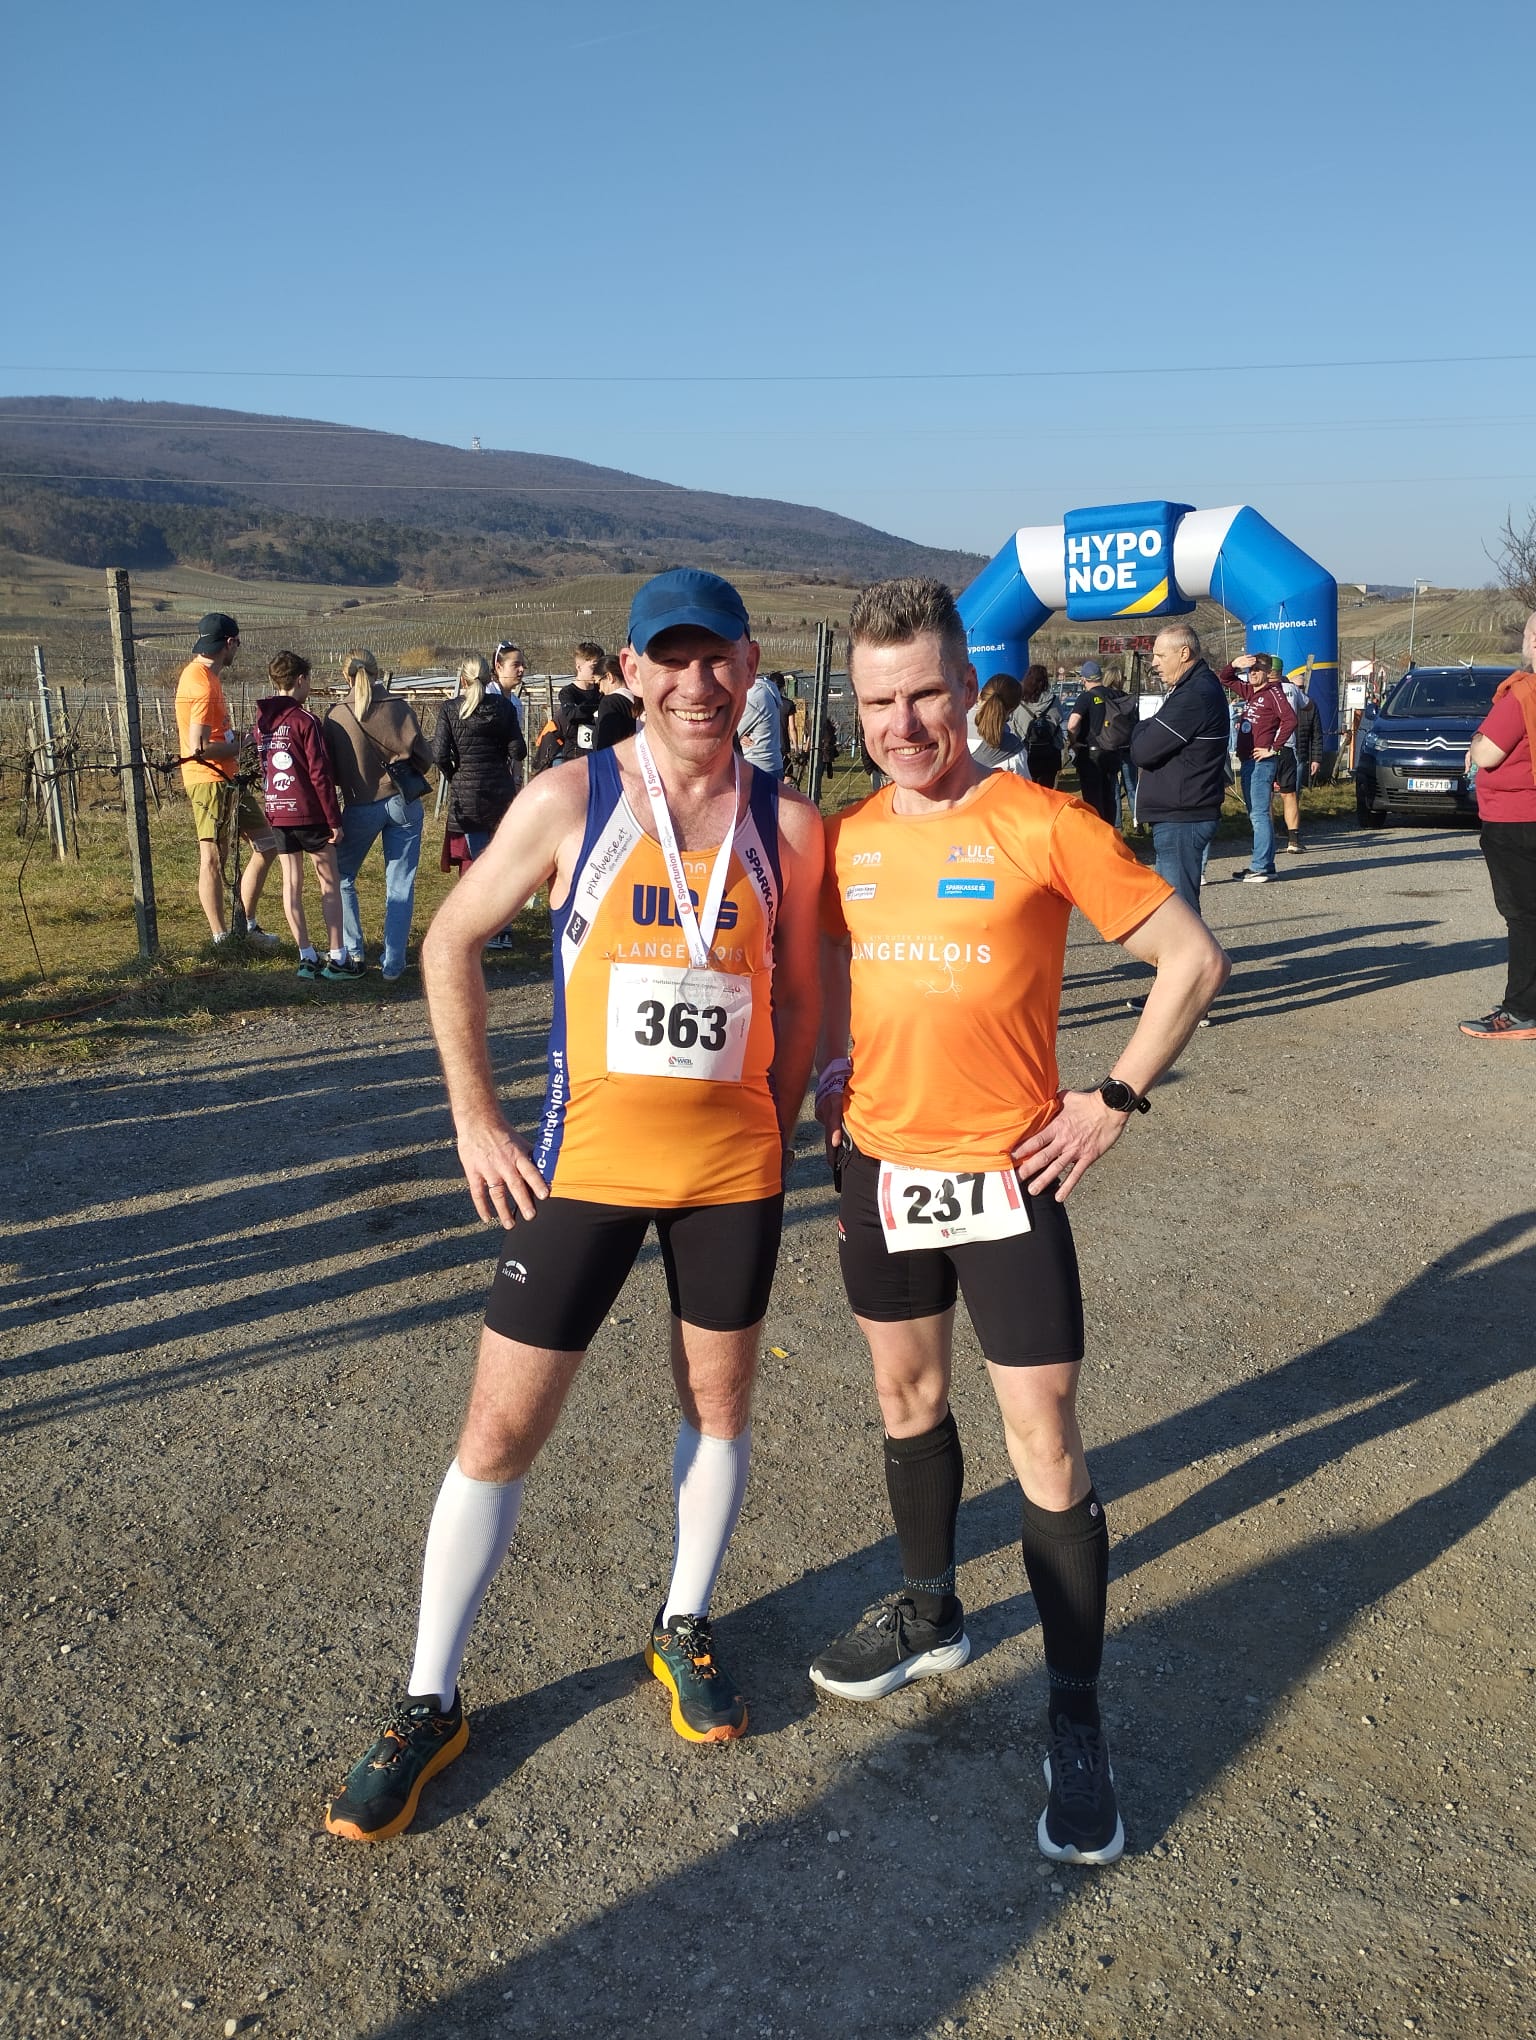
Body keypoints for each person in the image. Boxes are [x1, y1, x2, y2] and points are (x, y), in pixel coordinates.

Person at [323, 567, 824, 1843]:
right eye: (672, 659)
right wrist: (475, 1119)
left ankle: (683, 1623)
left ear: (749, 666)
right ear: (634, 670)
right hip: (582, 1171)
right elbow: (449, 941)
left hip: (733, 1175)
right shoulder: (570, 798)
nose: (697, 683)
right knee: (499, 1429)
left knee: (719, 1405)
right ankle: (429, 1697)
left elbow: (806, 993)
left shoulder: (790, 822)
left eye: (717, 659)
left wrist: (776, 1122)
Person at [810, 578, 1227, 1869]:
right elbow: (825, 963)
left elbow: (1193, 959)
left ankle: (1074, 1712)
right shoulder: (844, 839)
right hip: (881, 1172)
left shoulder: (1040, 820)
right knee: (905, 1401)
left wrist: (1112, 1100)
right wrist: (828, 1075)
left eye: (925, 694)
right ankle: (931, 1611)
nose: (902, 723)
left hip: (1007, 1176)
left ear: (967, 689)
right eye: (879, 701)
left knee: (1043, 1439)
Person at [322, 652, 436, 981]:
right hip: (403, 801)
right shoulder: (399, 707)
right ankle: (394, 964)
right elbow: (425, 758)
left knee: (341, 876)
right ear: (377, 673)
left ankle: (354, 951)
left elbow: (332, 772)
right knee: (400, 885)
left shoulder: (336, 715)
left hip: (360, 803)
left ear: (346, 677)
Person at [173, 612, 278, 946]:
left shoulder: (202, 676)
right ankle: (222, 938)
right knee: (213, 857)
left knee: (267, 844)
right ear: (229, 643)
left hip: (227, 777)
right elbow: (199, 747)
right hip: (210, 780)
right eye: (237, 644)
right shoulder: (203, 684)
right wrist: (242, 745)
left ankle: (246, 926)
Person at [1459, 613, 1536, 1039]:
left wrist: (1475, 743)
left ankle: (1522, 1011)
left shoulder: (1522, 694)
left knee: (1523, 916)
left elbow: (1488, 754)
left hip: (1515, 819)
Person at [252, 652, 348, 981]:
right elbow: (320, 773)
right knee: (329, 882)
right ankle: (338, 955)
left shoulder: (262, 723)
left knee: (291, 884)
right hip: (310, 812)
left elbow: (265, 766)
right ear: (301, 680)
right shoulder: (305, 721)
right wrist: (334, 819)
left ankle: (306, 955)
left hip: (277, 812)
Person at [1130, 625, 1232, 913]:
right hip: (1179, 811)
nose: (1154, 663)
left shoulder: (1194, 695)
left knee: (1181, 912)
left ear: (1184, 653)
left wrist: (1140, 727)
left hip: (1184, 815)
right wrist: (1147, 728)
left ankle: (1194, 946)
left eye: (1161, 656)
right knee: (1171, 910)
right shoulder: (1190, 688)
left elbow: (1142, 751)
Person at [1219, 654, 1295, 882]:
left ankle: (1260, 866)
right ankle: (1266, 865)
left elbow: (1290, 719)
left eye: (1257, 670)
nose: (1252, 674)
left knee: (1259, 815)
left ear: (1268, 672)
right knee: (1256, 813)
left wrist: (1274, 748)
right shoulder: (1250, 691)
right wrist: (1235, 664)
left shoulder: (1273, 692)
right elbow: (1225, 678)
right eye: (1250, 670)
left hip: (1261, 762)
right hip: (1247, 760)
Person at [1064, 660, 1118, 825]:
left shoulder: (1086, 697)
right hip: (1113, 752)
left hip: (1091, 753)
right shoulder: (1115, 695)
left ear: (1083, 679)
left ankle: (1097, 831)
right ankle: (1111, 830)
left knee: (1093, 798)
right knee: (1110, 795)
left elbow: (1072, 724)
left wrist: (1073, 741)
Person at [1277, 672, 1322, 851]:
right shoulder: (1282, 703)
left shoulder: (1309, 707)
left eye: (1302, 687)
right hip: (1282, 752)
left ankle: (1291, 832)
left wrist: (1316, 758)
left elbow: (1317, 734)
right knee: (1271, 794)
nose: (1299, 690)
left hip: (1300, 755)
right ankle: (1272, 830)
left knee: (1292, 793)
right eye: (1296, 686)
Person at [965, 673, 1032, 776]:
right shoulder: (1013, 749)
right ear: (1011, 710)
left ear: (980, 694)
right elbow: (1024, 784)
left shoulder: (952, 726)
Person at [1012, 663, 1064, 788]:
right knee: (1047, 791)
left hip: (1027, 753)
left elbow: (1014, 727)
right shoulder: (1053, 701)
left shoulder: (1018, 702)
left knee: (1028, 791)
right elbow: (1059, 720)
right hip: (1050, 753)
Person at [737, 664, 786, 778]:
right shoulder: (766, 688)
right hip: (770, 765)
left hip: (758, 767)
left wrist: (737, 736)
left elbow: (728, 733)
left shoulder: (754, 695)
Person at [491, 642, 529, 792]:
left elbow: (516, 743)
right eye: (516, 665)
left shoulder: (516, 703)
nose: (521, 669)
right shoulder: (487, 696)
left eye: (522, 665)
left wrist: (517, 779)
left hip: (506, 776)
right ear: (499, 667)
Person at [592, 652, 640, 751]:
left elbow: (605, 743)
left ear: (609, 677)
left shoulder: (610, 703)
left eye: (599, 683)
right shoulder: (640, 701)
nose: (600, 690)